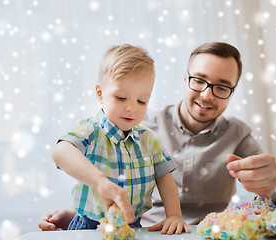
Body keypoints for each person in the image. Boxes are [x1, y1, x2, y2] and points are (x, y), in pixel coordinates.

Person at [39, 42, 276, 231]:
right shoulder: (136, 124)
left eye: (222, 86)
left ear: (233, 92)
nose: (206, 94)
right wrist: (79, 212)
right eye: (199, 80)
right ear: (185, 79)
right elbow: (67, 153)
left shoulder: (238, 135)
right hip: (139, 229)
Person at [50, 44, 190, 234]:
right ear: (100, 94)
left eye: (142, 101)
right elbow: (61, 152)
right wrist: (101, 182)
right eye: (121, 97)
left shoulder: (149, 139)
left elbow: (165, 179)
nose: (132, 108)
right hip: (90, 226)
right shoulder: (91, 130)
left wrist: (174, 215)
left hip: (133, 227)